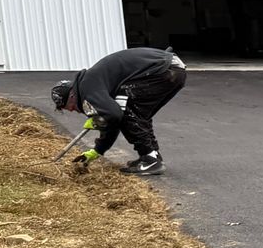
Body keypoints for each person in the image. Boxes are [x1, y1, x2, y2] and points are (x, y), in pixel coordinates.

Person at [51, 47, 188, 177]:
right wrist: (97, 150)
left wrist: (98, 120)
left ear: (71, 96)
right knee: (139, 115)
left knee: (128, 110)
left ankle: (150, 160)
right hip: (172, 68)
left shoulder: (86, 88)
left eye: (66, 106)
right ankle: (151, 156)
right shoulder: (90, 83)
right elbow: (113, 120)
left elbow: (114, 116)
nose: (71, 110)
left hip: (162, 70)